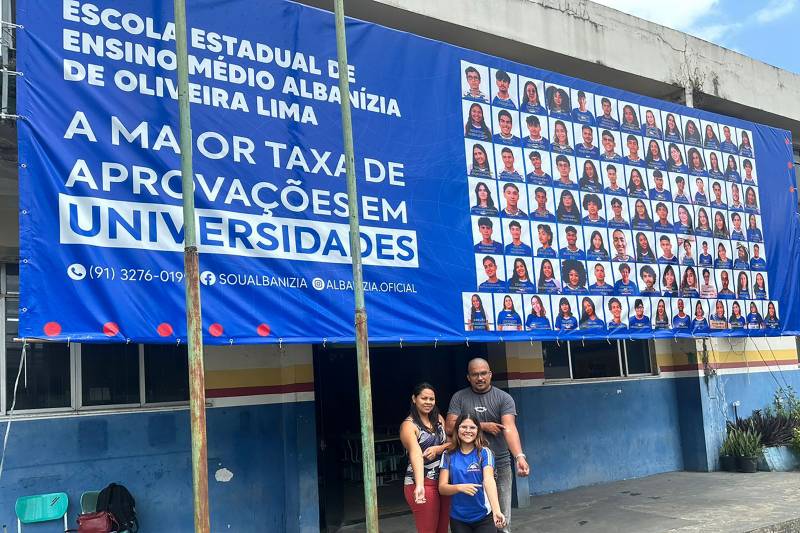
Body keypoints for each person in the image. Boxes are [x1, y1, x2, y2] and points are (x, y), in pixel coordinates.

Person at [446, 360, 529, 532]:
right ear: (468, 377)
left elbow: (509, 428)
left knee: (502, 517)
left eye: (484, 373)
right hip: (470, 466)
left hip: (500, 462)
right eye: (475, 374)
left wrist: (519, 456)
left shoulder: (503, 398)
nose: (480, 377)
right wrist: (484, 426)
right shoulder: (459, 397)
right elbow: (449, 426)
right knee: (473, 517)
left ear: (490, 374)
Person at [439, 412, 505, 533]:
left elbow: (489, 480)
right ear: (457, 429)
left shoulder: (484, 453)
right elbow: (442, 488)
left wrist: (496, 511)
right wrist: (458, 488)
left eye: (472, 427)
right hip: (458, 518)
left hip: (484, 516)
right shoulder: (448, 454)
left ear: (478, 430)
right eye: (464, 427)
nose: (468, 430)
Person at [402, 383, 450, 533]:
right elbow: (415, 454)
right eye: (424, 398)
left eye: (432, 399)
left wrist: (439, 448)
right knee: (428, 530)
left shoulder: (439, 419)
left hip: (443, 481)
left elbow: (451, 443)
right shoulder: (409, 426)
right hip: (423, 483)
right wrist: (420, 485)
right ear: (414, 399)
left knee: (442, 529)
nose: (428, 402)